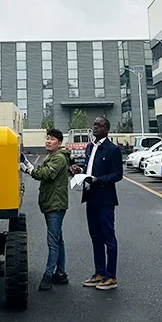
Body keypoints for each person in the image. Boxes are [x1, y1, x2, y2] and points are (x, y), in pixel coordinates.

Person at [70, 116, 123, 290]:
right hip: (90, 197)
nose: (96, 127)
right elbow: (89, 169)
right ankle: (99, 272)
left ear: (107, 130)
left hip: (105, 199)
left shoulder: (112, 149)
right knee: (95, 237)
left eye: (100, 126)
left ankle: (111, 276)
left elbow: (118, 174)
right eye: (94, 125)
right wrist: (80, 171)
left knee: (108, 237)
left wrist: (98, 180)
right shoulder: (90, 146)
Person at [23, 128, 71, 291]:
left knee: (53, 242)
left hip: (55, 205)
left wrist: (27, 169)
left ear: (59, 143)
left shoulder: (58, 158)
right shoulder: (53, 156)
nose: (48, 141)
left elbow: (44, 173)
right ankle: (61, 273)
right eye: (47, 138)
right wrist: (29, 164)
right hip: (52, 203)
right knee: (58, 240)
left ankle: (48, 276)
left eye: (52, 139)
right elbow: (41, 169)